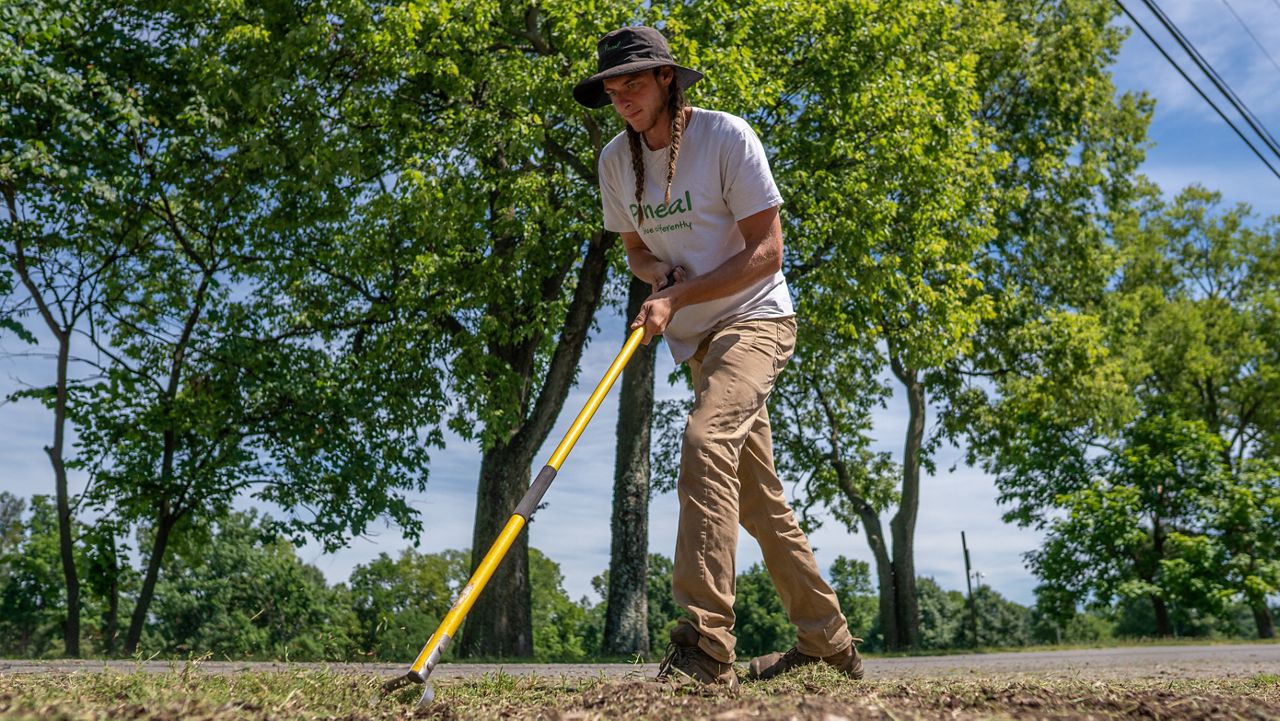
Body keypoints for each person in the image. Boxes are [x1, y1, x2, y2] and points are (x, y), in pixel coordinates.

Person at [573, 26, 864, 689]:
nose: (623, 99)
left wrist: (681, 298)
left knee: (705, 442)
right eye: (613, 90)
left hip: (758, 317)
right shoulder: (617, 164)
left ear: (668, 80)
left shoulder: (727, 138)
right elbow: (637, 252)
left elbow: (768, 252)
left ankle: (705, 647)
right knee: (758, 502)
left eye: (635, 85)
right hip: (701, 338)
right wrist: (660, 280)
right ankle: (827, 641)